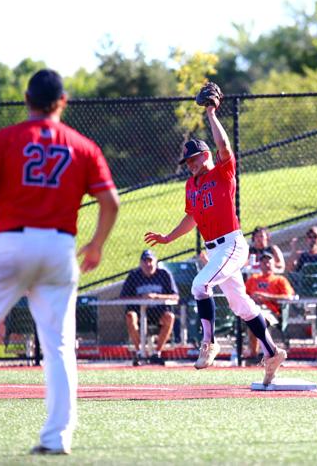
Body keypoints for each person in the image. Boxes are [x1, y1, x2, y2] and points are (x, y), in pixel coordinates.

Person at [0, 69, 119, 455]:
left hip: (11, 244)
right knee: (59, 346)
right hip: (59, 248)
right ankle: (56, 438)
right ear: (62, 101)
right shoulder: (83, 145)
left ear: (26, 98)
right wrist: (98, 244)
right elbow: (110, 201)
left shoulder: (6, 138)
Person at [144, 82, 286, 385]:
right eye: (187, 162)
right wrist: (169, 238)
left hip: (233, 245)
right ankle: (272, 352)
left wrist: (211, 114)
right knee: (241, 305)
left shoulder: (221, 172)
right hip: (215, 249)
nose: (190, 165)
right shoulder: (191, 185)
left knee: (199, 285)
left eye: (193, 159)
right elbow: (192, 217)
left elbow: (225, 148)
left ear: (205, 156)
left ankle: (209, 343)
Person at [121, 249, 178, 366]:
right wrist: (141, 298)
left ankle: (156, 353)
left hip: (159, 312)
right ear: (140, 263)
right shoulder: (133, 276)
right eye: (145, 261)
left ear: (156, 262)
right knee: (130, 316)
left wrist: (156, 296)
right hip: (138, 312)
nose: (148, 264)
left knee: (170, 317)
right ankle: (139, 353)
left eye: (150, 261)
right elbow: (123, 297)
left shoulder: (164, 275)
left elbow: (175, 297)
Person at [244, 250, 296, 363]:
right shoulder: (253, 279)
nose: (266, 264)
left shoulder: (280, 280)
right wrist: (253, 298)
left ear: (273, 265)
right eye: (263, 262)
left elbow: (289, 297)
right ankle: (254, 354)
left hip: (272, 312)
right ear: (260, 265)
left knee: (257, 319)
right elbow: (243, 295)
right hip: (253, 309)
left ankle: (262, 354)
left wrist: (266, 297)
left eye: (269, 262)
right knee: (253, 317)